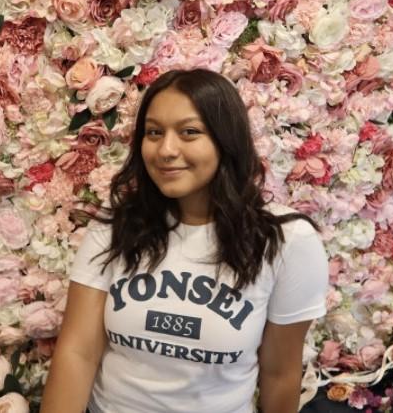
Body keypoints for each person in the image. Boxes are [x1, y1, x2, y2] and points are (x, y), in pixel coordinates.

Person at [39, 68, 329, 413]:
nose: (166, 149)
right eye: (154, 132)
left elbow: (280, 373)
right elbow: (78, 352)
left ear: (226, 140)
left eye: (189, 132)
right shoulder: (117, 224)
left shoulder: (287, 240)